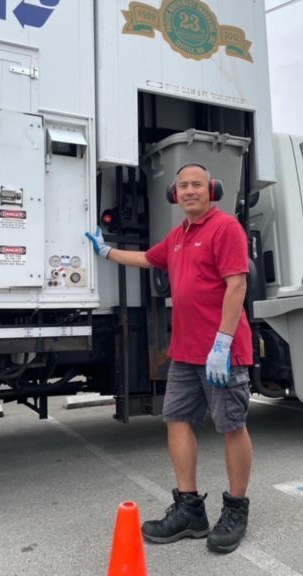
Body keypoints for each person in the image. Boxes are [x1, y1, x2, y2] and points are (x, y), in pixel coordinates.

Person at [85, 163, 253, 554]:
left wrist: (223, 344)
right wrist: (107, 251)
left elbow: (238, 284)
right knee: (176, 420)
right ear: (173, 195)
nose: (190, 191)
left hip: (221, 354)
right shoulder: (177, 237)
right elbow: (146, 258)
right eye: (183, 186)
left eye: (197, 184)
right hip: (186, 352)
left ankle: (236, 509)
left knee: (232, 425)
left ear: (212, 189)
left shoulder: (226, 228)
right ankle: (190, 510)